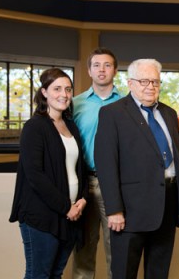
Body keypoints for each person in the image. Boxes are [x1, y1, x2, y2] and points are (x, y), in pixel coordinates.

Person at [94, 58, 179, 279]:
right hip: (129, 210)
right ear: (130, 83)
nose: (150, 87)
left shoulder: (169, 113)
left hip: (167, 204)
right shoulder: (112, 113)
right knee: (125, 273)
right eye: (144, 81)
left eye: (155, 82)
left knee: (159, 272)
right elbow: (106, 164)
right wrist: (114, 210)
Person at [9, 68, 87, 279]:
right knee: (39, 275)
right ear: (44, 92)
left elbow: (80, 168)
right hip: (41, 216)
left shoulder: (71, 126)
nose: (64, 94)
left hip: (70, 216)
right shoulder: (34, 127)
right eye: (57, 89)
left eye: (68, 89)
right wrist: (66, 207)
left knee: (55, 274)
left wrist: (82, 200)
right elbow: (35, 175)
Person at [72, 47, 121, 279]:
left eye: (107, 65)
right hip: (84, 184)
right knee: (83, 249)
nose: (102, 70)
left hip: (117, 187)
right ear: (89, 70)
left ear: (115, 70)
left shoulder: (128, 104)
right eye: (97, 65)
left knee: (118, 250)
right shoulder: (74, 104)